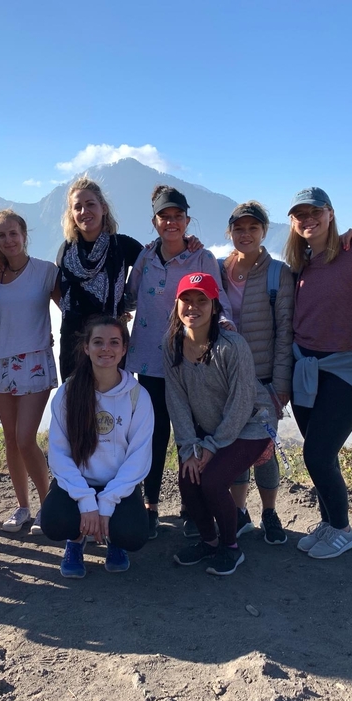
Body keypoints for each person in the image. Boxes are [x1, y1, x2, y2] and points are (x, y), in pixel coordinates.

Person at [126, 185, 232, 540]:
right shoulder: (145, 258)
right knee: (155, 436)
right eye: (164, 216)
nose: (171, 222)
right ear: (154, 221)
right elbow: (127, 295)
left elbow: (217, 302)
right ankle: (150, 505)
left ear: (188, 220)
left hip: (192, 358)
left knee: (196, 432)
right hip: (150, 361)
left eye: (177, 217)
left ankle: (193, 507)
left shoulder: (201, 258)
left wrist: (225, 328)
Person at [284, 187, 352, 560]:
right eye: (300, 214)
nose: (308, 220)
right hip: (305, 367)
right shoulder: (301, 263)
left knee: (317, 451)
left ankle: (342, 528)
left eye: (315, 212)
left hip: (347, 368)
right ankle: (328, 520)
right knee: (320, 452)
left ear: (330, 213)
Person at [165, 273, 273, 576]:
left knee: (211, 480)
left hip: (252, 425)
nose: (193, 307)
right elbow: (176, 400)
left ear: (215, 306)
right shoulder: (172, 345)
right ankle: (209, 542)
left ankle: (230, 548)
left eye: (202, 300)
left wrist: (211, 446)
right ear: (176, 304)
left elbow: (241, 403)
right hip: (211, 431)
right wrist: (188, 448)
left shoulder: (231, 345)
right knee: (188, 477)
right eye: (186, 299)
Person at [40, 316, 153, 578]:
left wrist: (107, 502)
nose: (106, 349)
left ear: (124, 349)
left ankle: (115, 541)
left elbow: (139, 457)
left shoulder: (137, 395)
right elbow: (58, 454)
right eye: (98, 342)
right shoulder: (68, 393)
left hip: (119, 487)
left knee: (134, 534)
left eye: (114, 342)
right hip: (77, 485)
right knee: (55, 522)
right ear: (86, 348)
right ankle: (76, 540)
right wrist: (85, 500)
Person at [217, 201, 294, 545]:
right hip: (225, 379)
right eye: (239, 228)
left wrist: (280, 385)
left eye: (253, 228)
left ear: (264, 231)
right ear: (229, 232)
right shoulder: (217, 269)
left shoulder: (279, 273)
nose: (245, 234)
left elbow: (284, 334)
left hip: (264, 380)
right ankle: (239, 514)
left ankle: (270, 513)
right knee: (234, 449)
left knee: (263, 451)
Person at [0, 209, 59, 534]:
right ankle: (23, 507)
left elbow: (69, 307)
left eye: (13, 233)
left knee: (26, 437)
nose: (8, 240)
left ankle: (48, 506)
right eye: (1, 235)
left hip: (35, 360)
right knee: (11, 439)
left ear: (24, 234)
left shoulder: (45, 271)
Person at [56, 178, 143, 381]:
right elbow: (57, 291)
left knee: (114, 405)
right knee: (76, 405)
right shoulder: (66, 252)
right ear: (72, 215)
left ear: (103, 208)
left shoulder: (123, 246)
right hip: (73, 344)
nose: (84, 211)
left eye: (90, 204)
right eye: (77, 207)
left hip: (111, 344)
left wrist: (124, 307)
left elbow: (158, 265)